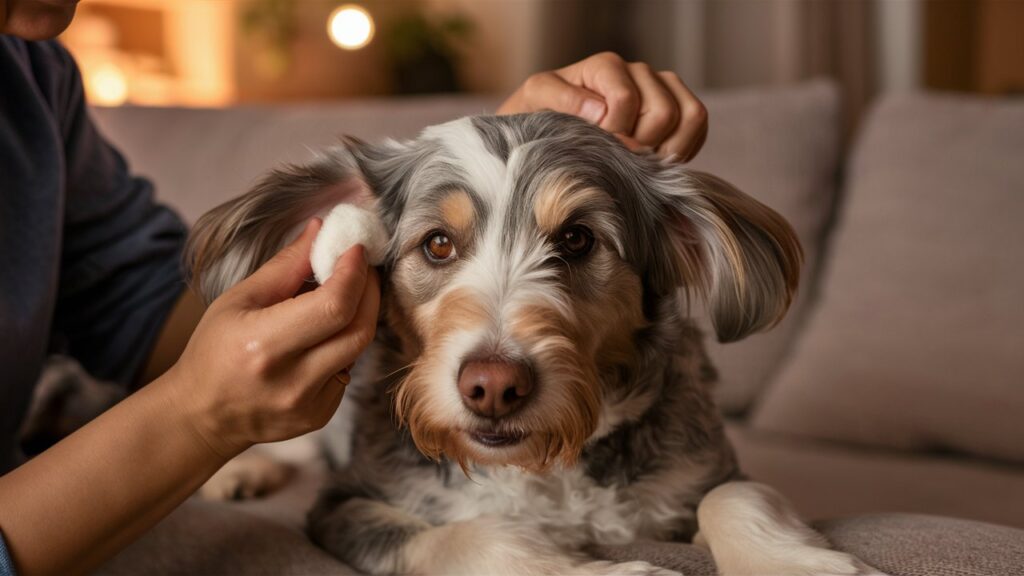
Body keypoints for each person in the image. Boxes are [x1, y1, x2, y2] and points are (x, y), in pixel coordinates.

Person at [0, 1, 708, 573]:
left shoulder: (34, 78)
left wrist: (479, 171)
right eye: (437, 242)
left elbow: (145, 307)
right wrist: (197, 418)